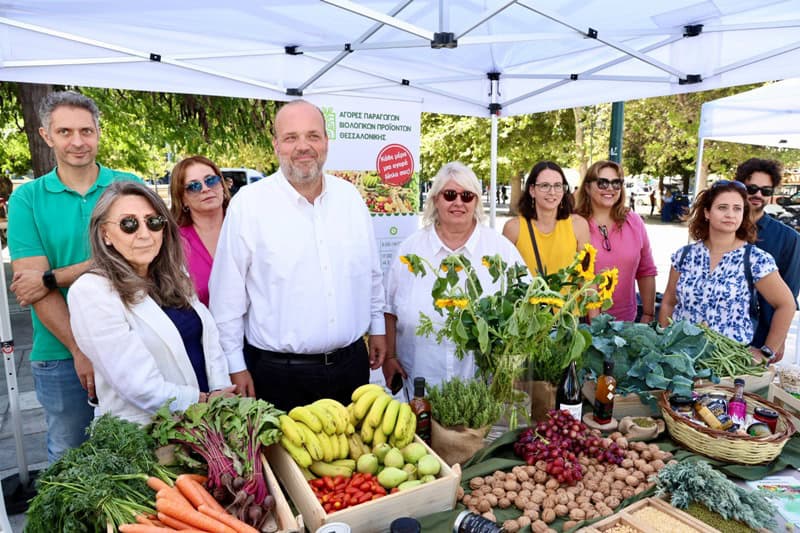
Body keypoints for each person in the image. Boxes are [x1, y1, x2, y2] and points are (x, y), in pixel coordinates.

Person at [208, 100, 386, 410]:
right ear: (276, 145)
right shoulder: (249, 205)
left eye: (313, 136)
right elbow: (227, 297)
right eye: (291, 137)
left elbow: (371, 272)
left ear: (326, 141)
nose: (303, 146)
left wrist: (378, 327)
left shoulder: (350, 198)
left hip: (352, 368)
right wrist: (235, 364)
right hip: (279, 376)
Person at [6, 91, 140, 462]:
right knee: (71, 462)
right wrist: (80, 349)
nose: (77, 141)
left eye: (86, 131)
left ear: (98, 132)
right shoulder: (27, 199)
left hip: (132, 340)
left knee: (142, 454)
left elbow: (142, 261)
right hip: (60, 353)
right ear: (46, 135)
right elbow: (32, 288)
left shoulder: (128, 186)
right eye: (65, 132)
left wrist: (54, 276)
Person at [67, 182, 235, 424]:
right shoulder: (92, 291)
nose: (144, 234)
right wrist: (205, 401)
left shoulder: (174, 275)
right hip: (148, 433)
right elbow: (138, 385)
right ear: (105, 234)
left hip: (208, 422)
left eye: (153, 222)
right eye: (129, 224)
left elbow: (210, 343)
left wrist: (220, 394)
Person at [382, 162, 525, 398]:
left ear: (476, 202)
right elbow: (389, 309)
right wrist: (389, 356)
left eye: (467, 196)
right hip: (420, 386)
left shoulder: (501, 251)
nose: (458, 202)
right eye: (450, 195)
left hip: (482, 391)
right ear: (435, 200)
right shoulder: (410, 250)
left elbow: (523, 304)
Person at [659, 180, 794, 363]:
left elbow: (786, 304)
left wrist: (767, 352)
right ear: (707, 212)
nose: (730, 214)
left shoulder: (755, 259)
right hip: (680, 361)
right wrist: (664, 346)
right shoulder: (684, 256)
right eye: (722, 207)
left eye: (737, 208)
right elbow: (668, 302)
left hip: (728, 365)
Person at [574, 161, 657, 322]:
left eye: (616, 183)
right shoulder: (574, 223)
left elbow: (646, 270)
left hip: (626, 323)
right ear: (587, 187)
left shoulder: (634, 221)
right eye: (602, 183)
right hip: (582, 324)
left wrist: (648, 314)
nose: (610, 188)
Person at [735, 158, 800, 354]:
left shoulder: (788, 238)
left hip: (760, 338)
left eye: (766, 191)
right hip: (716, 333)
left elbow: (790, 294)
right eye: (752, 188)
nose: (758, 195)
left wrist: (777, 341)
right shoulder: (721, 228)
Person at [502, 161, 590, 276]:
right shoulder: (514, 228)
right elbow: (503, 275)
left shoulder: (578, 225)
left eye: (557, 186)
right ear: (532, 190)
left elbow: (585, 276)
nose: (552, 192)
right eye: (545, 186)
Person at [169, 156, 231, 307]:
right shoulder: (173, 242)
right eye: (194, 186)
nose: (205, 189)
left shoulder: (246, 225)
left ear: (222, 185)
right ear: (182, 198)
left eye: (211, 180)